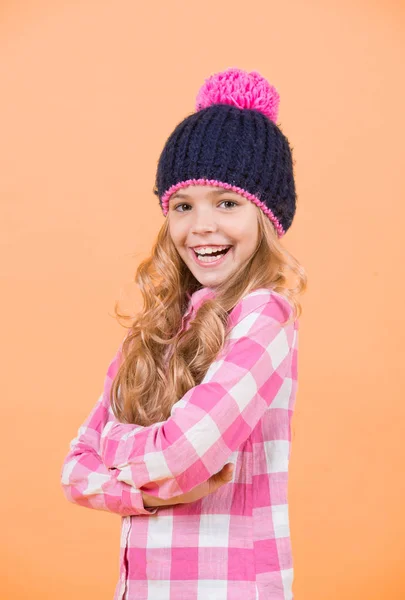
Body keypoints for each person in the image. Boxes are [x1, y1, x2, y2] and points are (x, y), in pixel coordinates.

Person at [60, 66, 307, 600]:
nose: (201, 227)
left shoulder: (264, 316)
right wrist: (148, 494)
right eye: (182, 206)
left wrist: (114, 447)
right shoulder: (157, 332)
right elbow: (73, 472)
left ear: (267, 218)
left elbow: (185, 456)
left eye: (227, 203)